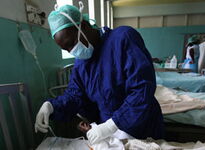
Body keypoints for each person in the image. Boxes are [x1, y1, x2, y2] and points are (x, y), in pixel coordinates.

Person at [34, 3, 164, 144]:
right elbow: (74, 97)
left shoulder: (123, 39)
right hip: (110, 134)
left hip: (141, 127)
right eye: (66, 49)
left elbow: (142, 89)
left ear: (83, 26)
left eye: (71, 43)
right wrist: (52, 106)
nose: (72, 51)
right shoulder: (80, 64)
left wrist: (111, 125)